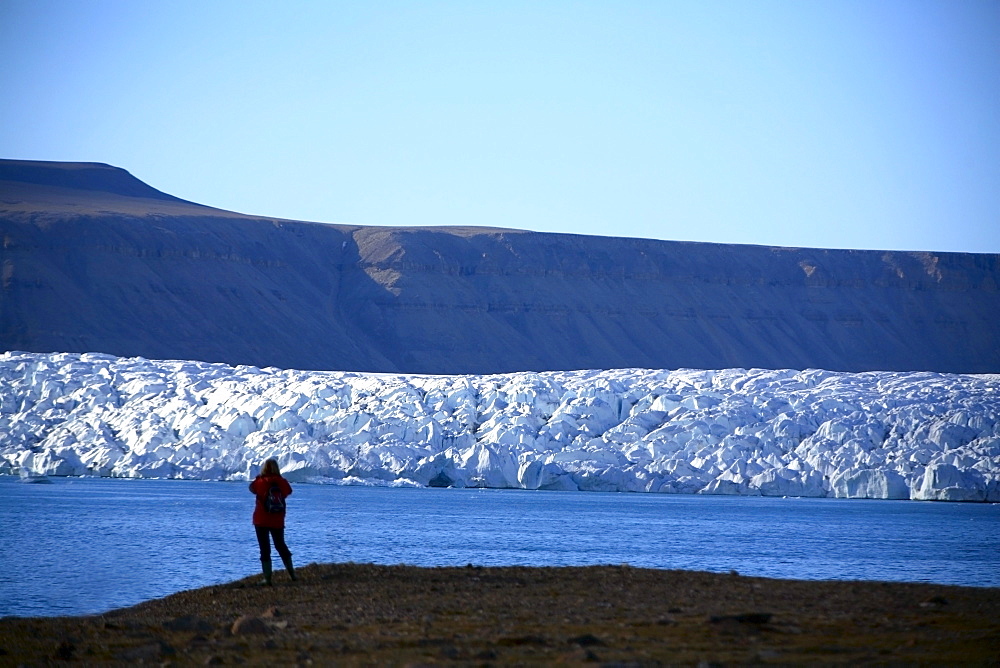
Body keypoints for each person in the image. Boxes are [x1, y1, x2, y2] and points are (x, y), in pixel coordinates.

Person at [248, 458, 296, 585]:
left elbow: (252, 489)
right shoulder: (282, 482)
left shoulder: (260, 482)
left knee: (264, 548)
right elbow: (289, 491)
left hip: (261, 520)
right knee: (281, 545)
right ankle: (292, 574)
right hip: (277, 519)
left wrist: (260, 478)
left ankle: (267, 579)